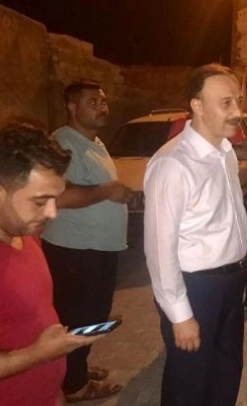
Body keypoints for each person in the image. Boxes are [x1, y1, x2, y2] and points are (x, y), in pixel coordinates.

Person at [144, 63, 247, 405]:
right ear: (197, 105)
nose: (237, 111)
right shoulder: (173, 164)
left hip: (232, 282)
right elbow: (159, 249)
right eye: (226, 103)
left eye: (238, 101)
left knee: (226, 372)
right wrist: (180, 315)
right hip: (195, 288)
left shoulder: (224, 153)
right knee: (189, 382)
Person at [0, 122, 105, 405]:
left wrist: (54, 391)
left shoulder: (25, 235)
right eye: (40, 201)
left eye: (55, 199)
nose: (52, 212)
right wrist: (39, 354)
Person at [41, 80, 130, 402]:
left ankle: (75, 369)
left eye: (103, 101)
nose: (102, 107)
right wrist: (106, 191)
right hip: (76, 252)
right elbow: (58, 196)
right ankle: (75, 385)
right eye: (93, 102)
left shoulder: (94, 142)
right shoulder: (63, 143)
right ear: (72, 107)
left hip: (94, 250)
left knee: (89, 316)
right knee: (80, 318)